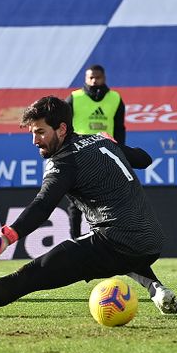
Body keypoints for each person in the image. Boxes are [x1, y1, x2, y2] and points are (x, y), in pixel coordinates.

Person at [0, 96, 177, 318]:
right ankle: (156, 288)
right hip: (151, 241)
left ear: (62, 129)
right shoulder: (96, 140)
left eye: (41, 132)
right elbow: (144, 159)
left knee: (25, 279)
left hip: (117, 241)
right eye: (32, 132)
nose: (35, 140)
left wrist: (6, 238)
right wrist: (114, 143)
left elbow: (43, 206)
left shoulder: (64, 162)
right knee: (120, 253)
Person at [64, 64, 126, 239]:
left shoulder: (115, 98)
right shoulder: (74, 97)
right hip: (79, 155)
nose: (94, 81)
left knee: (108, 198)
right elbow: (64, 125)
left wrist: (121, 151)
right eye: (90, 77)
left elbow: (120, 128)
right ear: (85, 78)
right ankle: (74, 239)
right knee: (76, 202)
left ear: (103, 78)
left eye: (97, 77)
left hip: (106, 154)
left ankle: (110, 237)